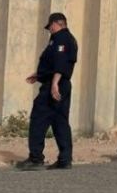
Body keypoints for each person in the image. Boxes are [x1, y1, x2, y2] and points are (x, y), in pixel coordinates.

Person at [16, 12, 79, 171]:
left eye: (50, 26)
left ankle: (36, 158)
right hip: (60, 83)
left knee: (38, 118)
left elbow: (60, 62)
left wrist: (54, 83)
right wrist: (39, 75)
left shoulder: (61, 38)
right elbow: (56, 63)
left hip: (55, 85)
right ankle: (65, 160)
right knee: (60, 122)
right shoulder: (66, 39)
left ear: (56, 24)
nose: (49, 30)